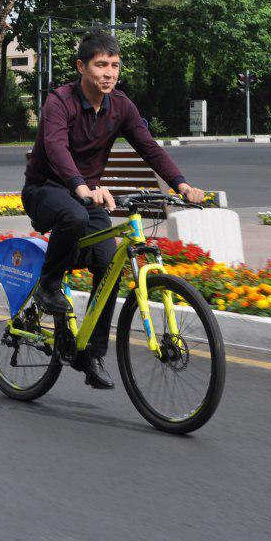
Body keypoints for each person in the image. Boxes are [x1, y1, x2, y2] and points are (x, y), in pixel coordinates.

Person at [23, 31, 205, 390]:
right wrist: (81, 187)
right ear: (81, 66)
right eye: (101, 65)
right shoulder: (60, 101)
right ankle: (47, 285)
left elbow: (149, 148)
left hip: (87, 194)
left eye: (115, 66)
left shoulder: (120, 106)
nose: (109, 73)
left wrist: (181, 183)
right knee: (73, 216)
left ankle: (90, 353)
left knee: (108, 265)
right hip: (46, 190)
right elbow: (56, 148)